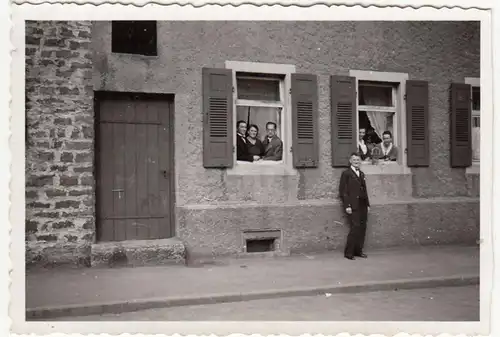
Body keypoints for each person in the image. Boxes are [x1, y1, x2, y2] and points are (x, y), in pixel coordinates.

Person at [338, 152, 371, 260]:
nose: (356, 162)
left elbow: (364, 190)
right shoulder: (346, 174)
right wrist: (347, 205)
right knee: (355, 228)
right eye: (354, 160)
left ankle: (358, 251)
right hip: (353, 205)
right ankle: (349, 252)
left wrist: (367, 204)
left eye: (358, 160)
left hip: (362, 204)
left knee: (362, 228)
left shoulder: (361, 174)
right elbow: (343, 191)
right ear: (350, 161)